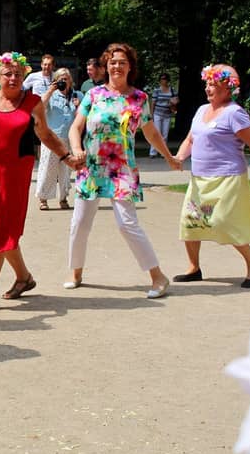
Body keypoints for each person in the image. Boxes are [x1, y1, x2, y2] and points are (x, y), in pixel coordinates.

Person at [0, 51, 74, 314]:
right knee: (3, 230)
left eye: (18, 74)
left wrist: (67, 157)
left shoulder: (32, 102)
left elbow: (46, 135)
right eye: (7, 73)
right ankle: (24, 278)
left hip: (13, 177)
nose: (13, 78)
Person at [65, 43, 181, 298]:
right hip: (91, 167)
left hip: (121, 169)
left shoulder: (139, 98)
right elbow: (76, 127)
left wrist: (169, 157)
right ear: (106, 67)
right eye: (113, 62)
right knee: (80, 223)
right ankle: (76, 271)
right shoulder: (93, 95)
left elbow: (151, 132)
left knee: (127, 224)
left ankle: (158, 277)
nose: (117, 66)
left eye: (122, 62)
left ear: (130, 67)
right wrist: (76, 149)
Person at [173, 65, 250, 288]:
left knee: (223, 223)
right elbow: (191, 139)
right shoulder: (201, 110)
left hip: (227, 178)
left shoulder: (234, 113)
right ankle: (194, 268)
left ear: (228, 89)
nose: (208, 89)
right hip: (200, 179)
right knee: (190, 222)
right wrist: (179, 157)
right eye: (207, 84)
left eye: (213, 85)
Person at [36, 67, 78, 210]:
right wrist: (50, 90)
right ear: (55, 80)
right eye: (61, 79)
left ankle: (63, 198)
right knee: (48, 168)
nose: (64, 82)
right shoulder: (51, 95)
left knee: (66, 171)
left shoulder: (76, 95)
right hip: (52, 139)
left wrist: (78, 106)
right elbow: (39, 106)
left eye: (66, 79)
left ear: (70, 81)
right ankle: (43, 198)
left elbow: (83, 115)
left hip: (69, 138)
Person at [149, 73, 178, 158]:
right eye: (162, 79)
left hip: (167, 114)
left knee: (165, 134)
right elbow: (153, 103)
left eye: (165, 78)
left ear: (168, 80)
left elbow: (176, 101)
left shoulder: (172, 90)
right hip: (157, 114)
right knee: (157, 133)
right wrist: (151, 115)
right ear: (160, 80)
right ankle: (153, 152)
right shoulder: (157, 90)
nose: (163, 80)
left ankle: (163, 153)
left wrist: (174, 103)